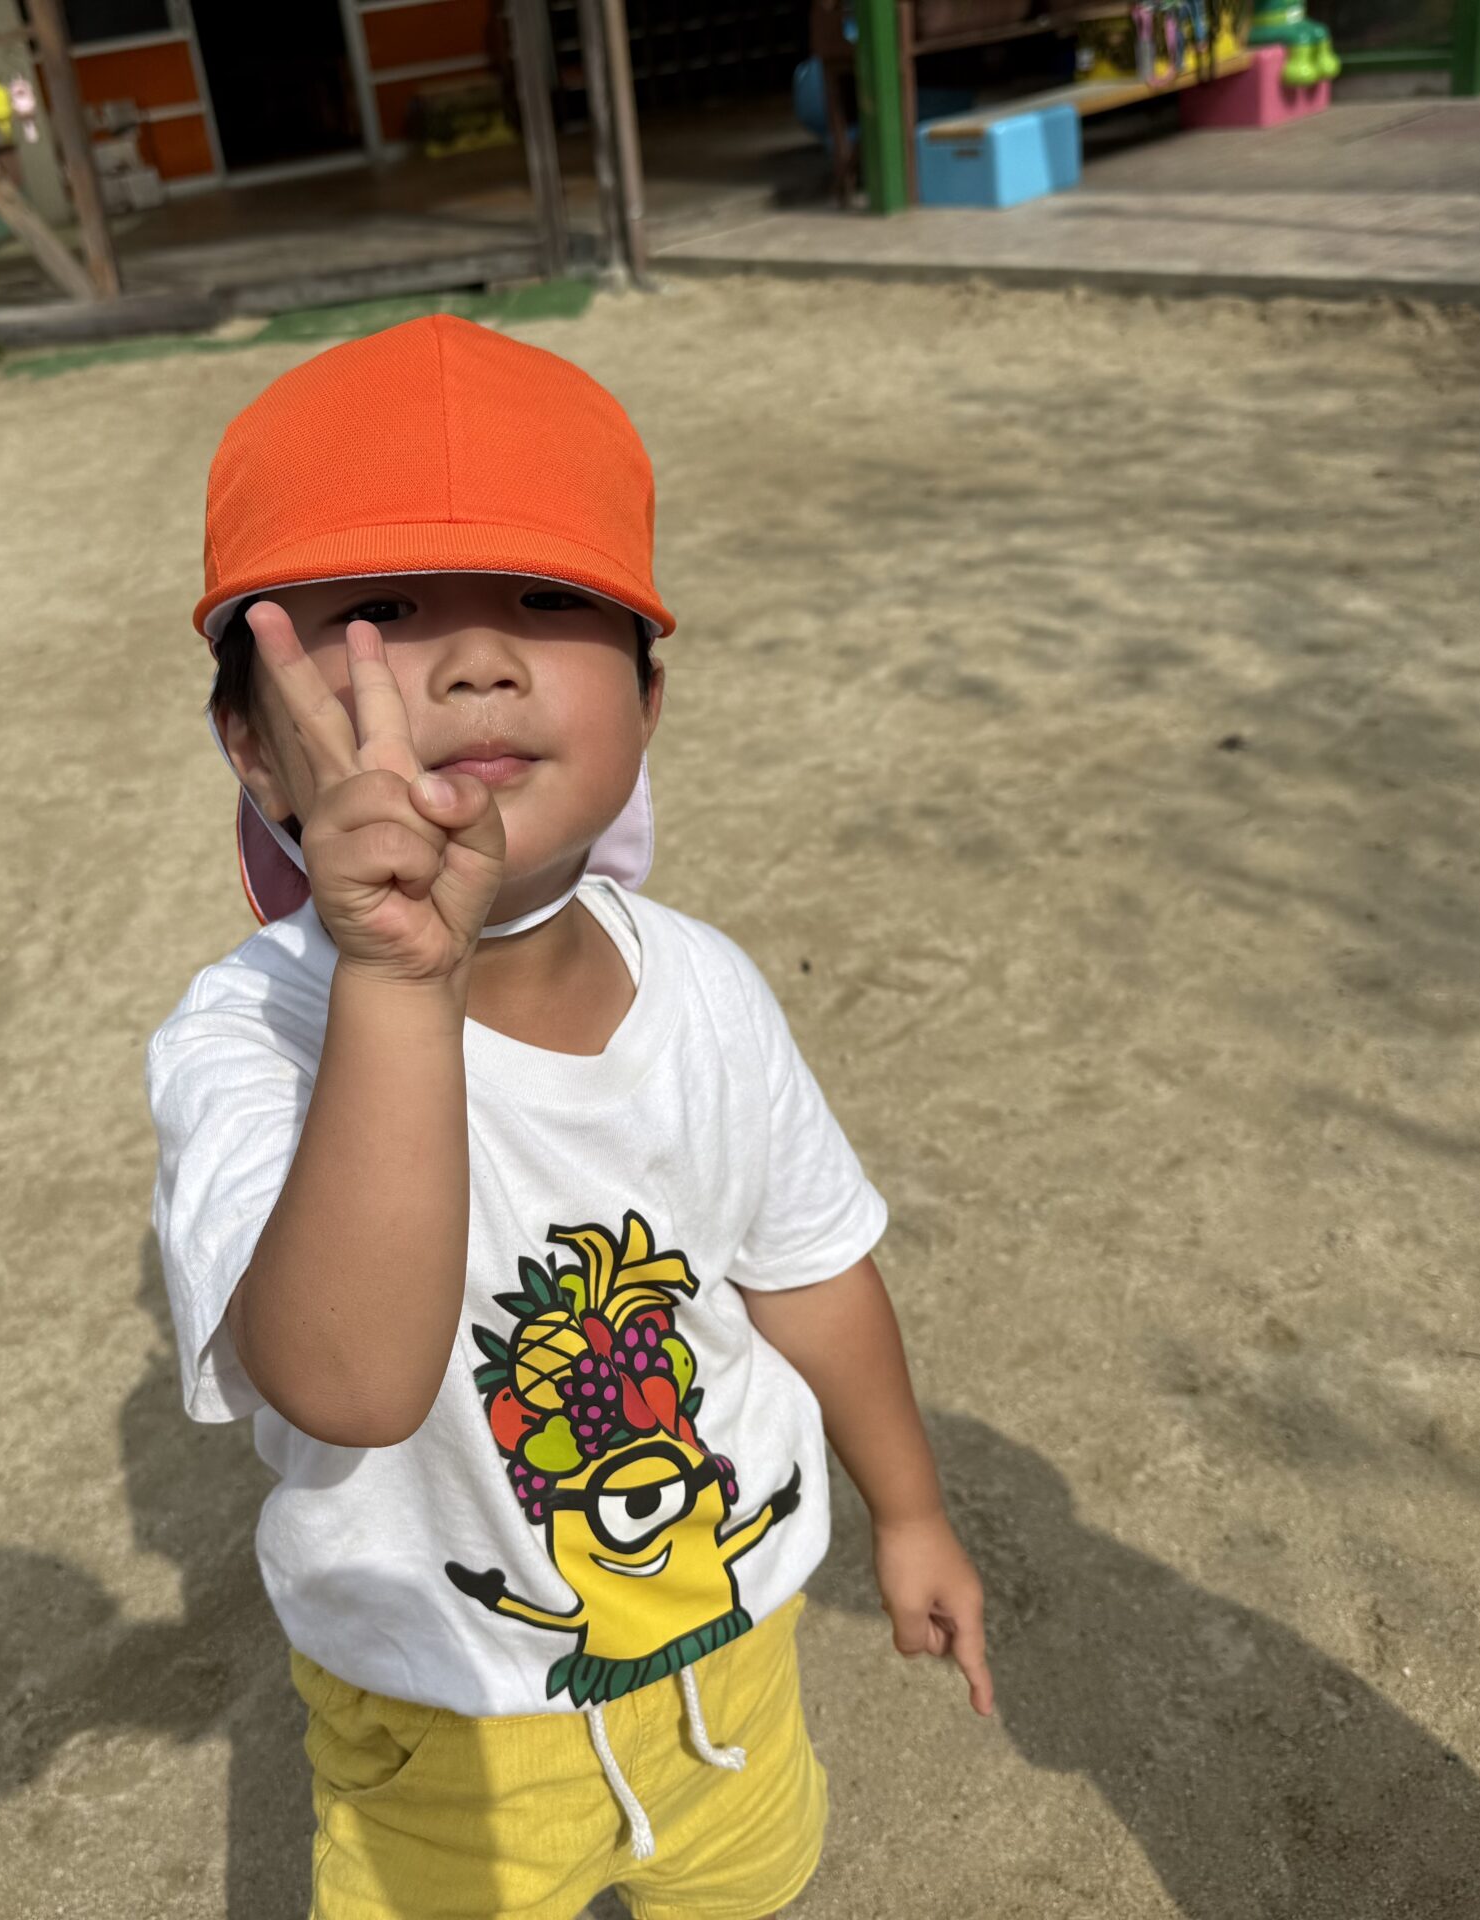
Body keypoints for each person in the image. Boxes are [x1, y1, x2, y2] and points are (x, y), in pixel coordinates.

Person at [148, 316, 990, 1920]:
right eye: (381, 614)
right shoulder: (251, 1037)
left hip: (730, 1646)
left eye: (548, 601)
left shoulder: (708, 987)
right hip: (444, 1716)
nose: (479, 660)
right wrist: (400, 975)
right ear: (253, 741)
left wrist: (913, 1509)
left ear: (651, 699)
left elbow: (808, 1268)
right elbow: (348, 1386)